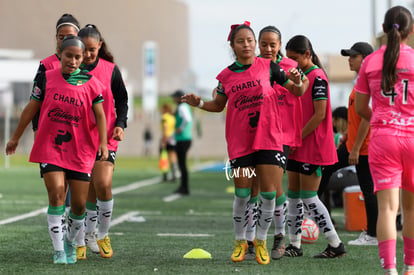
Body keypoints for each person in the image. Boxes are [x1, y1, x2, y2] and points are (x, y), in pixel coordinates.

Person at [181, 21, 308, 265]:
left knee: (269, 194)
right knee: (242, 194)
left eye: (250, 40)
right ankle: (241, 241)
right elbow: (218, 105)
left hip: (269, 139)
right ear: (233, 46)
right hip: (241, 143)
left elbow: (297, 91)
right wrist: (198, 103)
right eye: (241, 41)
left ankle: (260, 241)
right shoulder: (226, 76)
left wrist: (298, 80)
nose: (247, 45)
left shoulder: (269, 67)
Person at [6, 35, 108, 264]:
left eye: (77, 57)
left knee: (79, 205)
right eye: (68, 55)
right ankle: (59, 250)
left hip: (81, 151)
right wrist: (15, 137)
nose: (72, 60)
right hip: (51, 147)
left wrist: (103, 143)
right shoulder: (46, 79)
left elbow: (101, 115)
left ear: (83, 59)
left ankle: (71, 241)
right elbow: (31, 108)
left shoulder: (92, 83)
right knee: (57, 194)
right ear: (59, 55)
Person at [355, 6, 414, 275]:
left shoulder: (370, 61)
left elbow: (359, 108)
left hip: (383, 138)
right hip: (412, 138)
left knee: (388, 210)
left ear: (383, 27)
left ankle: (389, 270)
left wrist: (380, 117)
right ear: (411, 31)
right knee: (411, 209)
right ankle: (410, 268)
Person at [283, 35, 346, 259]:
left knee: (309, 197)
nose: (290, 63)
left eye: (294, 58)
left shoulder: (317, 77)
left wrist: (297, 138)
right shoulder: (297, 78)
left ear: (307, 55)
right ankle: (295, 245)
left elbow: (320, 114)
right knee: (293, 196)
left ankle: (335, 243)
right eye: (287, 58)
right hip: (297, 144)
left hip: (312, 145)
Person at [244, 25, 303, 261]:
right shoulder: (252, 65)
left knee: (275, 188)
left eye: (273, 44)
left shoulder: (290, 67)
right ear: (258, 44)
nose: (268, 49)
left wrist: (299, 81)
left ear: (280, 46)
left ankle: (279, 237)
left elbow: (301, 89)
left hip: (280, 135)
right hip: (253, 134)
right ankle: (249, 241)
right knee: (252, 189)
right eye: (264, 44)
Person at [74, 24, 128, 260]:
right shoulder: (70, 69)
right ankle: (84, 236)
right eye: (83, 50)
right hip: (79, 138)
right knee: (88, 190)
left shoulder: (110, 70)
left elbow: (122, 100)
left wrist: (120, 124)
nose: (86, 55)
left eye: (91, 50)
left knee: (103, 184)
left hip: (105, 138)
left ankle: (102, 235)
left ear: (100, 47)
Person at [319, 42, 378, 246]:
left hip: (364, 147)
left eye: (353, 56)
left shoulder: (370, 81)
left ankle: (372, 234)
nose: (349, 59)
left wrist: (355, 148)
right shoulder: (360, 80)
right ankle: (314, 213)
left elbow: (366, 119)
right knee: (325, 168)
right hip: (353, 143)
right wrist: (347, 136)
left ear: (365, 58)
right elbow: (355, 116)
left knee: (367, 188)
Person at [31, 13, 81, 213]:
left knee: (81, 194)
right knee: (58, 190)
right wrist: (36, 129)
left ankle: (82, 233)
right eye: (61, 36)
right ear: (56, 38)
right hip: (53, 138)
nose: (65, 40)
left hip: (79, 136)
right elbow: (35, 102)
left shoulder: (84, 65)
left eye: (69, 35)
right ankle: (62, 238)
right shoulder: (46, 65)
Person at [171, 90, 193, 195]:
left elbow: (187, 119)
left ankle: (184, 188)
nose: (173, 99)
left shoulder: (182, 107)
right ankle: (183, 187)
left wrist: (180, 128)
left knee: (182, 164)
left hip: (183, 139)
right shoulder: (183, 107)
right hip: (184, 138)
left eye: (174, 97)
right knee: (182, 164)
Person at [160, 103, 178, 182]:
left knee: (164, 157)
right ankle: (174, 174)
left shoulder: (164, 117)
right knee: (173, 156)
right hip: (173, 138)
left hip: (167, 138)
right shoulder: (172, 117)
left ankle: (165, 175)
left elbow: (165, 127)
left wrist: (164, 140)